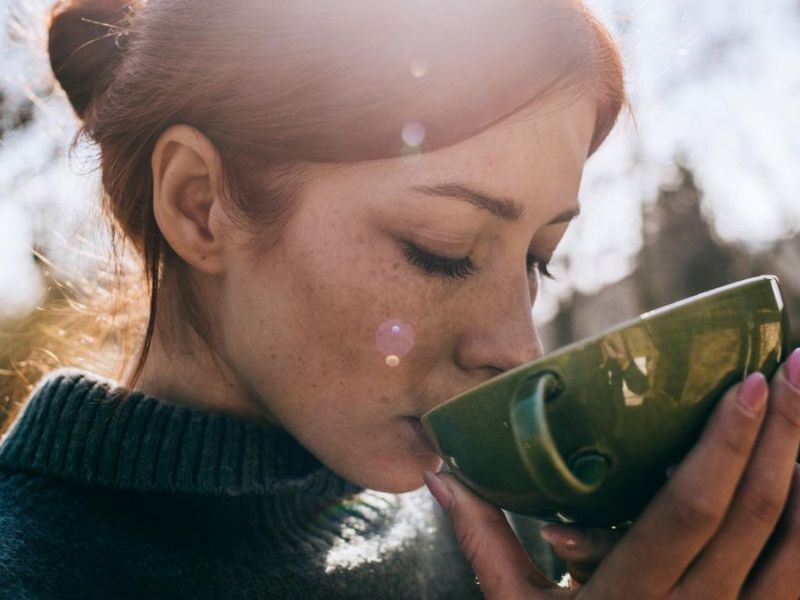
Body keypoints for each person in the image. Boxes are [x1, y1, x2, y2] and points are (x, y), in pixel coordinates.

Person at [1, 0, 798, 598]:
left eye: (538, 262)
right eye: (441, 248)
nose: (518, 348)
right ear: (199, 204)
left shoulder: (532, 545)